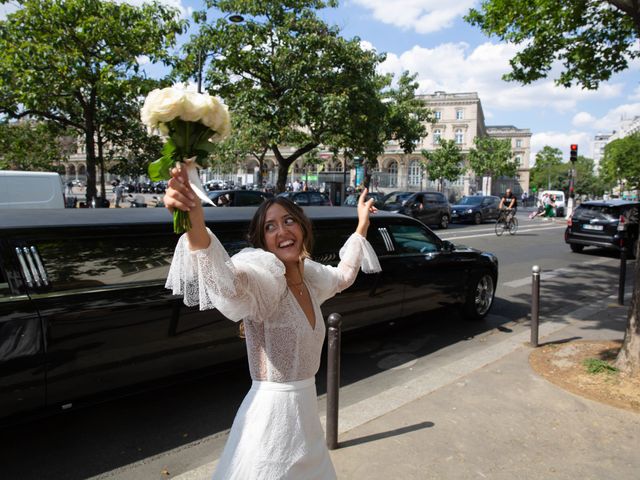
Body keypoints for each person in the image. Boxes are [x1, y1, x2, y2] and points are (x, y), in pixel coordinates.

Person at [163, 166, 381, 479]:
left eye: (289, 220)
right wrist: (194, 216)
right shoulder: (265, 277)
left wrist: (362, 223)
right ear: (263, 242)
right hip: (270, 427)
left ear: (303, 227)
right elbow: (229, 282)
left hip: (306, 423)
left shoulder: (310, 277)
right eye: (270, 227)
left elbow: (343, 275)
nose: (282, 231)